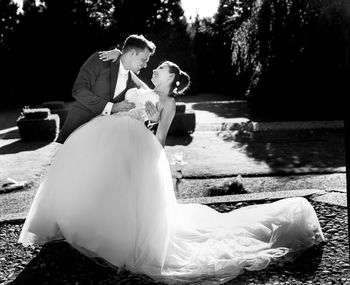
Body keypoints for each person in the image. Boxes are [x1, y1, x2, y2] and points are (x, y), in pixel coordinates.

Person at [18, 59, 324, 284]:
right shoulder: (144, 89)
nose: (155, 70)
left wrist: (149, 123)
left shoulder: (169, 102)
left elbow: (160, 138)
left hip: (140, 152)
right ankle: (83, 226)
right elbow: (129, 72)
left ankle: (116, 239)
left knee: (128, 201)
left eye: (161, 68)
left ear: (172, 77)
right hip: (114, 145)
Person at [56, 34, 159, 144]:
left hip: (103, 144)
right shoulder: (101, 60)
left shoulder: (133, 86)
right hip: (76, 133)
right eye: (144, 60)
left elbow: (142, 107)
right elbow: (79, 90)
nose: (145, 65)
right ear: (132, 53)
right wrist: (112, 107)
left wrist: (154, 119)